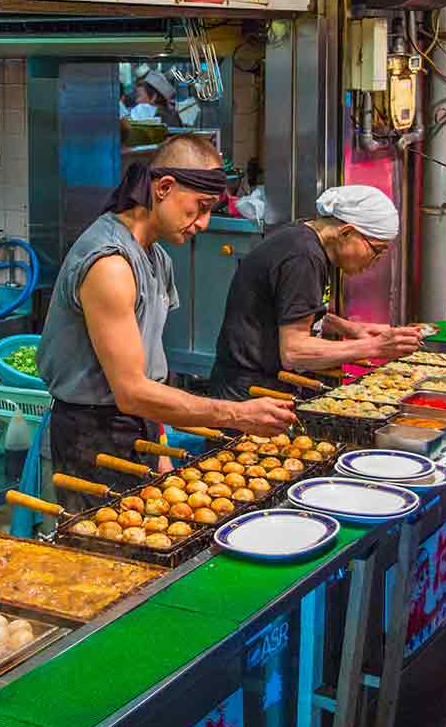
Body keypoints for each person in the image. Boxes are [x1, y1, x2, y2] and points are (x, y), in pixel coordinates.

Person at [37, 136, 295, 510]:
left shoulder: (156, 259)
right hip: (90, 438)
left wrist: (160, 446)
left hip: (137, 426)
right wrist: (237, 414)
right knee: (102, 560)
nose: (204, 223)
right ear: (164, 188)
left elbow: (148, 370)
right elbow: (131, 391)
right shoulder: (110, 265)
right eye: (200, 207)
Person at [208, 186, 422, 399]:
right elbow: (294, 352)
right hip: (248, 392)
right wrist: (375, 347)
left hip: (261, 382)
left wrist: (352, 329)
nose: (374, 262)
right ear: (346, 232)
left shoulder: (305, 240)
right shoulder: (303, 257)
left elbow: (294, 311)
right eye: (376, 250)